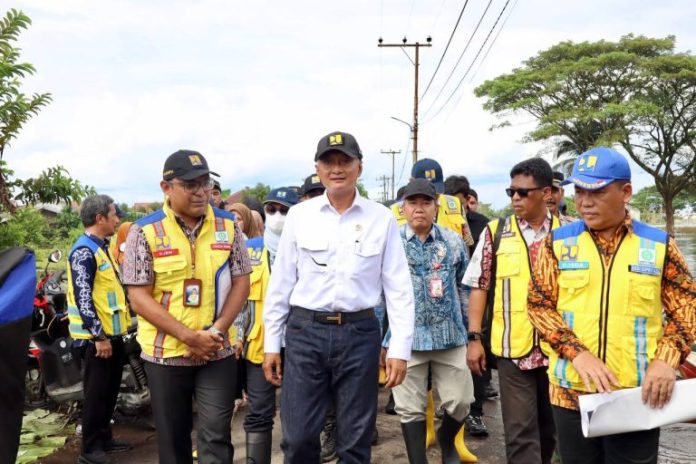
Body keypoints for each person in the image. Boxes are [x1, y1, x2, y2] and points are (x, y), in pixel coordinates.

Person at [528, 147, 695, 464]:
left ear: (626, 192)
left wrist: (666, 361)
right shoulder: (558, 244)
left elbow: (687, 308)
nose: (585, 202)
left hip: (637, 394)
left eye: (597, 192)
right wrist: (578, 354)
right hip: (571, 393)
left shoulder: (658, 245)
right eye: (579, 192)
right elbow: (539, 306)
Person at [263, 131, 415, 463]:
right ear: (317, 169)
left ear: (359, 167)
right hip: (306, 332)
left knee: (355, 441)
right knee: (298, 438)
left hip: (360, 334)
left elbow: (399, 288)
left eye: (345, 161)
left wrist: (400, 349)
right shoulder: (300, 216)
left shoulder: (381, 218)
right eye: (328, 162)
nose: (337, 169)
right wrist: (272, 343)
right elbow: (281, 284)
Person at [122, 149, 251, 464]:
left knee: (216, 437)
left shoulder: (229, 226)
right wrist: (188, 337)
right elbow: (138, 297)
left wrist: (215, 332)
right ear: (166, 188)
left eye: (205, 183)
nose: (201, 192)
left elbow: (241, 283)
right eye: (190, 185)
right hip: (165, 356)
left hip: (216, 351)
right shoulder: (144, 231)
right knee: (173, 442)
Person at [465, 158, 564, 464]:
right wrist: (474, 339)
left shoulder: (571, 232)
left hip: (561, 351)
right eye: (511, 192)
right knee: (520, 432)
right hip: (512, 349)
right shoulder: (496, 232)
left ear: (546, 193)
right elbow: (479, 286)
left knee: (552, 431)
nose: (516, 198)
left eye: (523, 192)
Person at [390, 179, 475, 464]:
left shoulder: (453, 241)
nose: (419, 209)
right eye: (412, 203)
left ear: (436, 207)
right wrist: (381, 338)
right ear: (403, 208)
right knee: (408, 408)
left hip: (449, 335)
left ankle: (446, 438)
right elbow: (379, 294)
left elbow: (465, 288)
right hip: (406, 339)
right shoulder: (391, 244)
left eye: (425, 203)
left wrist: (473, 334)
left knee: (461, 401)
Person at [233, 187, 297, 464]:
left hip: (300, 345)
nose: (277, 216)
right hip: (260, 345)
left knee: (298, 414)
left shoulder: (310, 248)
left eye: (284, 210)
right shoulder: (249, 251)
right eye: (272, 210)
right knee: (259, 411)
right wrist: (237, 335)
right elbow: (240, 299)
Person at [66, 194, 132, 464]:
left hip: (111, 336)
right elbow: (84, 298)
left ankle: (105, 439)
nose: (117, 219)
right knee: (95, 395)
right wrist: (99, 336)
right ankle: (90, 450)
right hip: (95, 340)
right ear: (99, 218)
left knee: (109, 392)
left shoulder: (102, 247)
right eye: (114, 214)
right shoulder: (84, 251)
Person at [444, 175, 495, 437]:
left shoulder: (482, 225)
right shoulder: (437, 224)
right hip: (445, 303)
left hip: (474, 299)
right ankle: (447, 412)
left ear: (467, 199)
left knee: (475, 354)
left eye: (459, 201)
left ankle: (475, 413)